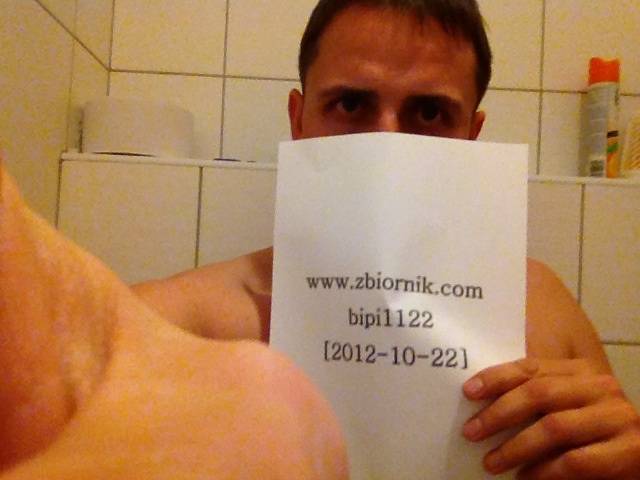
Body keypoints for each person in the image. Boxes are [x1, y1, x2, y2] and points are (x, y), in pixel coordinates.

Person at [0, 1, 637, 479]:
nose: (386, 142)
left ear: (471, 136)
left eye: (429, 112)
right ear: (298, 121)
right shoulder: (184, 321)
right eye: (351, 104)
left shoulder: (543, 308)